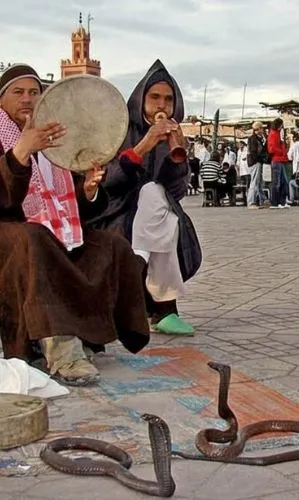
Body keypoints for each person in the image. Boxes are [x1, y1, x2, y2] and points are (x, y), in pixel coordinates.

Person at [0, 64, 150, 385]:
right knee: (34, 239)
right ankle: (63, 353)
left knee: (110, 245)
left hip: (46, 233)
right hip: (9, 232)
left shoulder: (54, 140)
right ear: (2, 100)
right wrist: (21, 152)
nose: (27, 99)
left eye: (34, 92)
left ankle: (91, 334)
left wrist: (88, 190)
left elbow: (74, 211)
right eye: (18, 92)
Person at [89, 59, 200, 337]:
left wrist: (178, 157)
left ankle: (138, 266)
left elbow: (176, 192)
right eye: (155, 98)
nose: (161, 106)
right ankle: (165, 308)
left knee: (155, 195)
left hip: (155, 215)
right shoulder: (117, 131)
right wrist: (144, 145)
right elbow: (109, 183)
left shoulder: (175, 136)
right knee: (158, 211)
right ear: (141, 99)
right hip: (116, 211)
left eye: (168, 99)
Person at [267, 118, 290, 208]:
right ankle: (275, 202)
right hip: (277, 159)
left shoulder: (275, 134)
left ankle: (281, 201)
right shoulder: (273, 134)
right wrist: (281, 151)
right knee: (277, 182)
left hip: (280, 159)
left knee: (283, 182)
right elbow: (271, 149)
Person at [246, 121, 267, 209]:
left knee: (258, 183)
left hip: (257, 161)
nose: (263, 130)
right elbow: (254, 152)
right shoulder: (253, 139)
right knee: (254, 182)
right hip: (255, 162)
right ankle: (251, 202)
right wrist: (262, 158)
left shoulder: (259, 138)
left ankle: (263, 200)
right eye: (262, 128)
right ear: (258, 129)